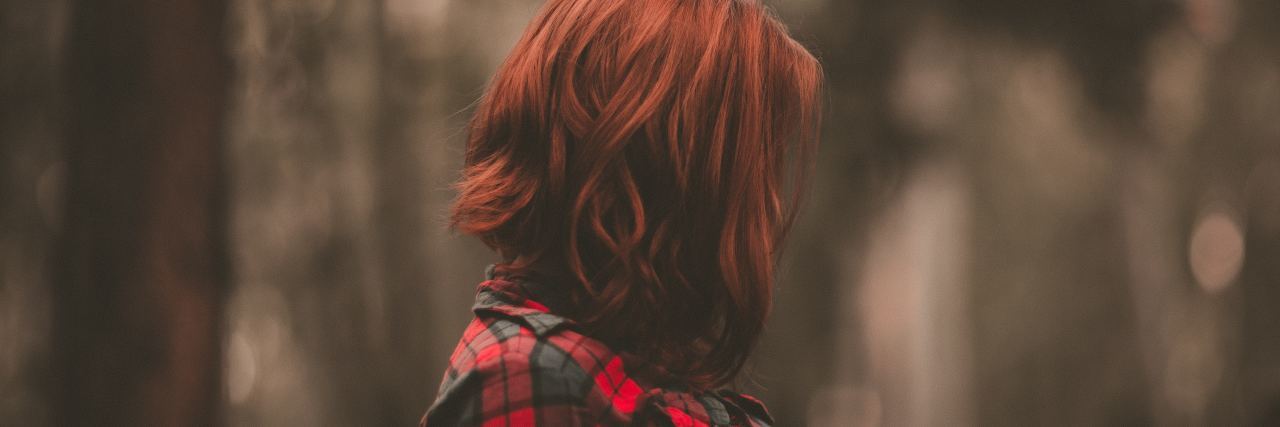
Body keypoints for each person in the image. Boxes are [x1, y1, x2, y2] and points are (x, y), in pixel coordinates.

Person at [422, 0, 822, 425]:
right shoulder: (535, 384)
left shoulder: (631, 372)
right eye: (752, 167)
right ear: (667, 169)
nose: (769, 203)